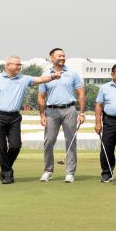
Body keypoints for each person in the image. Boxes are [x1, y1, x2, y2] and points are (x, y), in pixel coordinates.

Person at [0, 55, 62, 184]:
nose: (19, 67)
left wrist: (53, 76)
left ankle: (4, 169)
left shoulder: (24, 79)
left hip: (14, 117)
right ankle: (8, 174)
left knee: (15, 146)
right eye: (17, 64)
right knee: (1, 146)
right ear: (8, 65)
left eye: (20, 65)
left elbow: (41, 79)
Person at [38, 48, 85, 183]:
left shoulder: (72, 73)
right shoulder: (46, 74)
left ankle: (70, 172)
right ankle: (48, 170)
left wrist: (81, 112)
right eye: (59, 56)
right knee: (49, 141)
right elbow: (41, 97)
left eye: (63, 56)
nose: (62, 58)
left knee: (71, 141)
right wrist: (42, 115)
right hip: (51, 111)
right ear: (51, 58)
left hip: (69, 109)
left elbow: (81, 94)